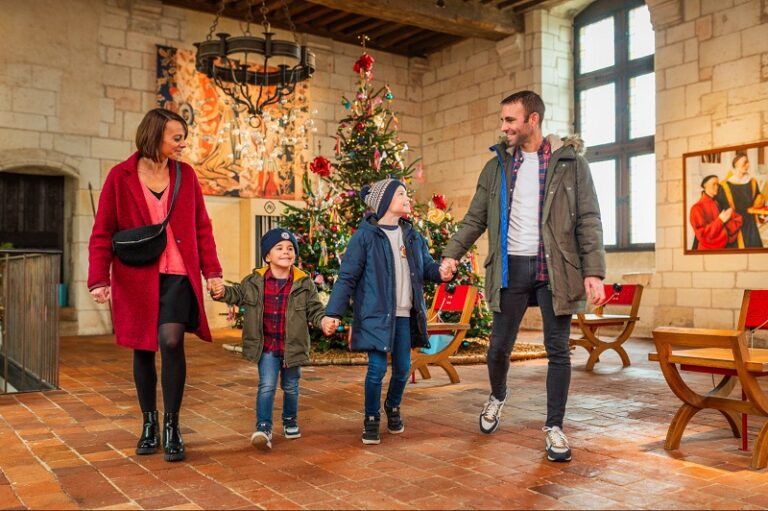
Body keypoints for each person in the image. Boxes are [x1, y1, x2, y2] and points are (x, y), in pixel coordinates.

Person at [440, 90, 606, 463]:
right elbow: (475, 219)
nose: (503, 127)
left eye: (510, 120)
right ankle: (498, 395)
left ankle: (554, 426)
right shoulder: (496, 166)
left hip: (555, 267)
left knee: (558, 349)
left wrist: (593, 270)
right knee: (498, 347)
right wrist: (452, 254)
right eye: (503, 120)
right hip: (509, 267)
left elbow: (590, 219)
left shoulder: (571, 164)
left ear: (533, 120)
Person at [88, 108, 223, 462]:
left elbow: (201, 226)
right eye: (176, 137)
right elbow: (103, 231)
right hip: (136, 277)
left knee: (171, 340)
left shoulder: (186, 175)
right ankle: (149, 422)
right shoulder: (121, 176)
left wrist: (213, 272)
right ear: (155, 136)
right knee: (144, 348)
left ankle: (172, 425)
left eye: (183, 137)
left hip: (178, 274)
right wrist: (98, 278)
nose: (183, 143)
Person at [323, 179, 453, 445]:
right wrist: (332, 312)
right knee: (377, 369)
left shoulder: (412, 236)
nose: (407, 197)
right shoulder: (365, 236)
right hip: (375, 314)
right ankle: (371, 417)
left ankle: (392, 406)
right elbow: (347, 277)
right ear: (384, 202)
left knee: (403, 368)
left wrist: (440, 272)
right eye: (401, 193)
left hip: (406, 314)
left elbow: (426, 266)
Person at [212, 228, 334, 450]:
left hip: (292, 346)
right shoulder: (254, 281)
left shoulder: (303, 283)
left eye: (290, 249)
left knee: (291, 386)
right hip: (267, 346)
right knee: (267, 385)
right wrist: (220, 292)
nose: (286, 252)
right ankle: (264, 427)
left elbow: (314, 310)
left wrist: (324, 321)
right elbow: (236, 294)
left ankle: (289, 420)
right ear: (267, 256)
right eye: (279, 248)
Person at [716, 152, 765, 248]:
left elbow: (757, 201)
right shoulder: (725, 186)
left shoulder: (752, 182)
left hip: (750, 225)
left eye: (748, 162)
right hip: (735, 225)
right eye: (745, 162)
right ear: (736, 164)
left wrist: (760, 201)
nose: (747, 165)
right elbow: (721, 208)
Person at [690, 174, 742, 250]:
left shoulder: (718, 203)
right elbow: (703, 235)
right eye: (713, 184)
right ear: (705, 185)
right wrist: (720, 220)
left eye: (717, 184)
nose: (717, 187)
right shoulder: (697, 208)